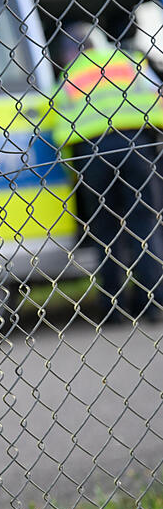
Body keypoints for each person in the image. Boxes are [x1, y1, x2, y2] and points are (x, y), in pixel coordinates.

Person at [44, 21, 163, 323]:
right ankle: (153, 304)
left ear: (69, 52)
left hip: (92, 154)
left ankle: (113, 310)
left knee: (105, 231)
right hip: (137, 145)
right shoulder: (129, 61)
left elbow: (57, 121)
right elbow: (157, 98)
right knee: (144, 224)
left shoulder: (69, 75)